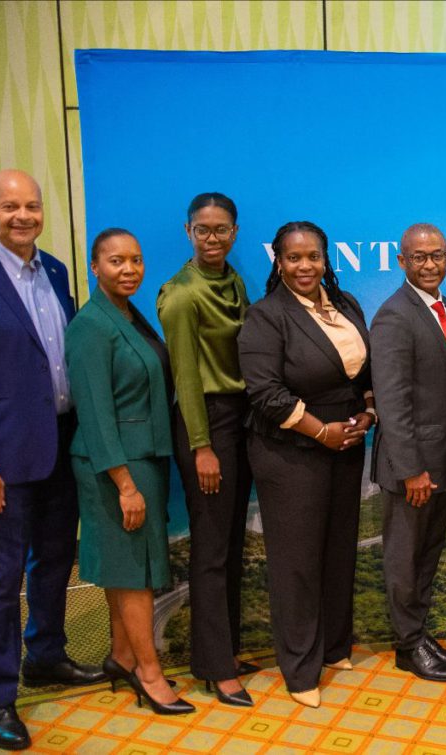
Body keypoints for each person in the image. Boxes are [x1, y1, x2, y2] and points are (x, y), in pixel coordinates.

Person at [0, 169, 105, 750]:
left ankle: (46, 656)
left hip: (62, 443)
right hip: (4, 458)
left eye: (31, 205)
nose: (23, 216)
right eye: (10, 206)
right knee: (2, 574)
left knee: (56, 559)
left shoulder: (55, 271)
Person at [238, 221, 374, 708]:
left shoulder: (347, 304)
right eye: (293, 257)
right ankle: (300, 670)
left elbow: (365, 373)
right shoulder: (266, 316)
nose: (304, 266)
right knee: (296, 561)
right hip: (291, 449)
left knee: (338, 550)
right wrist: (321, 431)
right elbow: (265, 393)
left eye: (313, 256)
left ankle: (334, 648)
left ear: (324, 259)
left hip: (347, 441)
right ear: (278, 262)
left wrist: (369, 413)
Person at [66, 228, 193, 716]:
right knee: (133, 573)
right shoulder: (90, 326)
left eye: (136, 260)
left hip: (143, 459)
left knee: (128, 566)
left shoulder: (128, 314)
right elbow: (95, 414)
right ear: (94, 267)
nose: (129, 269)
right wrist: (124, 484)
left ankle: (121, 657)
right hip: (115, 465)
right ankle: (149, 674)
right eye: (116, 261)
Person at [157, 192, 255, 707]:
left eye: (221, 230)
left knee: (232, 542)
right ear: (188, 231)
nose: (212, 238)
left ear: (234, 232)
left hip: (238, 419)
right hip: (206, 423)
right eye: (203, 230)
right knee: (212, 548)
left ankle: (225, 652)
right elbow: (186, 378)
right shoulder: (180, 295)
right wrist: (201, 447)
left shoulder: (233, 280)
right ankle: (216, 668)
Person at [370, 223, 446, 683]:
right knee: (404, 560)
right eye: (419, 257)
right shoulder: (394, 315)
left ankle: (418, 635)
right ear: (402, 261)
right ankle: (408, 646)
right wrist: (411, 470)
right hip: (412, 467)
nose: (430, 265)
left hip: (442, 458)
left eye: (437, 255)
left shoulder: (445, 307)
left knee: (427, 555)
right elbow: (392, 403)